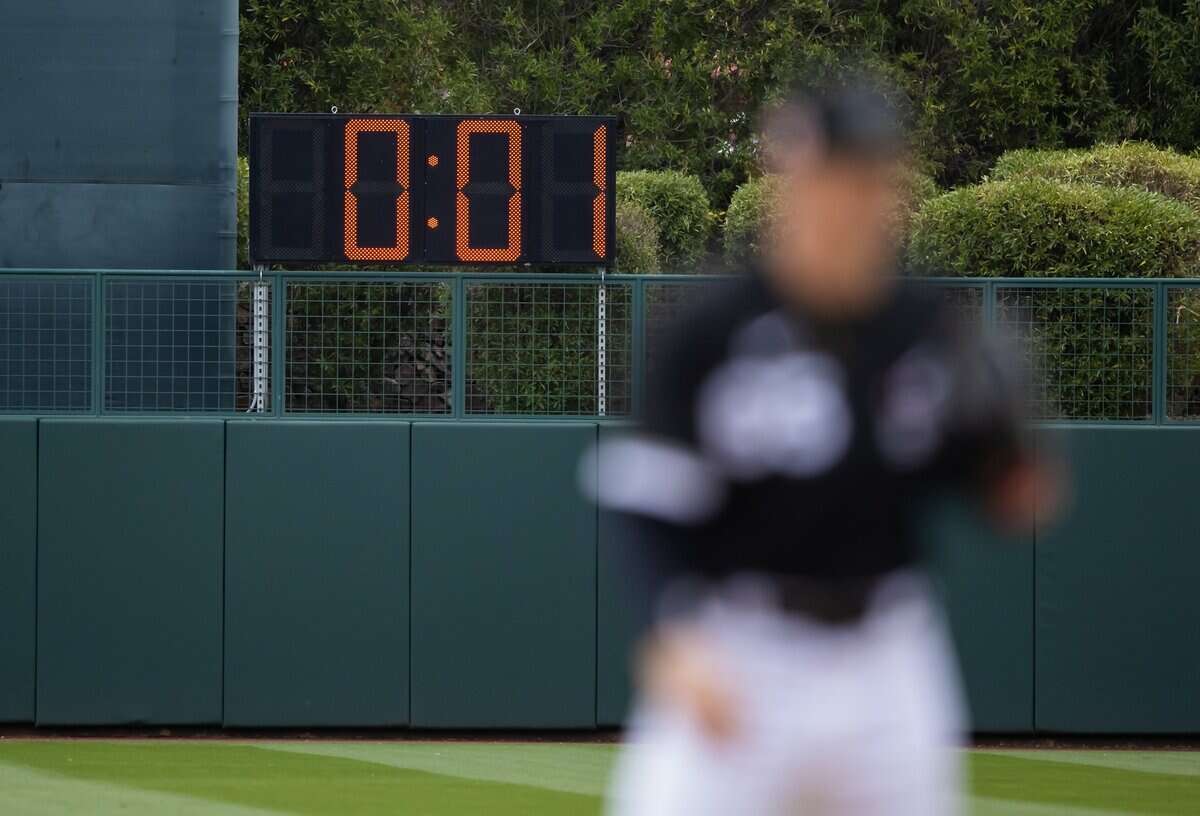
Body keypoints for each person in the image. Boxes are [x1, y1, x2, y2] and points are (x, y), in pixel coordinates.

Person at [584, 77, 1061, 815]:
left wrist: (1013, 458)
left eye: (868, 176)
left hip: (888, 656)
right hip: (743, 645)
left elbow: (1008, 493)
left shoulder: (926, 327)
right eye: (834, 174)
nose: (851, 197)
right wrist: (672, 634)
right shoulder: (710, 328)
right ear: (794, 180)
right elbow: (648, 505)